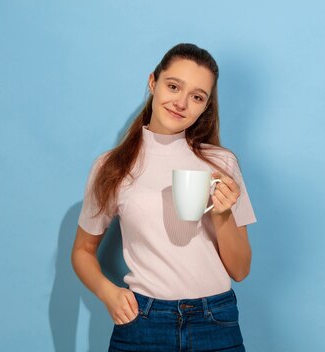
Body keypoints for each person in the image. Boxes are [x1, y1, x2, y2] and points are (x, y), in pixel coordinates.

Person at [71, 43, 256, 352]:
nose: (181, 103)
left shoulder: (222, 164)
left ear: (205, 106)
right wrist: (109, 293)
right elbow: (82, 252)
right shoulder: (111, 166)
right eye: (173, 86)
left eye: (197, 97)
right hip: (142, 323)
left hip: (215, 321)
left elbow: (240, 270)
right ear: (153, 82)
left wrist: (222, 213)